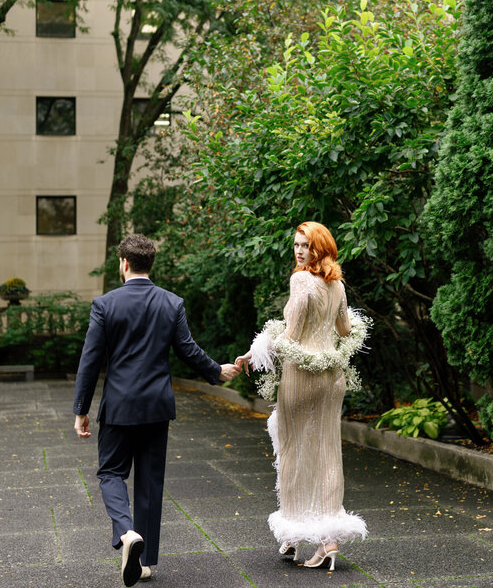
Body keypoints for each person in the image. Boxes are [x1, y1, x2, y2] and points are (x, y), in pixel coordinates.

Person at [73, 234, 241, 587]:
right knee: (150, 482)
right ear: (151, 264)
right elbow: (188, 350)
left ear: (123, 263)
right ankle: (145, 562)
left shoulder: (105, 305)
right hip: (156, 407)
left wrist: (81, 409)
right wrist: (217, 371)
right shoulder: (171, 303)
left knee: (110, 473)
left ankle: (126, 532)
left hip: (118, 407)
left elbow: (90, 362)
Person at [236, 221, 368, 572]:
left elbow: (290, 336)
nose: (298, 251)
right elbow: (344, 329)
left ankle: (293, 532)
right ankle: (328, 539)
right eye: (296, 244)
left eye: (305, 245)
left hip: (301, 376)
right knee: (327, 451)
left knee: (293, 448)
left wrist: (257, 350)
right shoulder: (337, 284)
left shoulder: (300, 280)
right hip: (332, 376)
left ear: (319, 248)